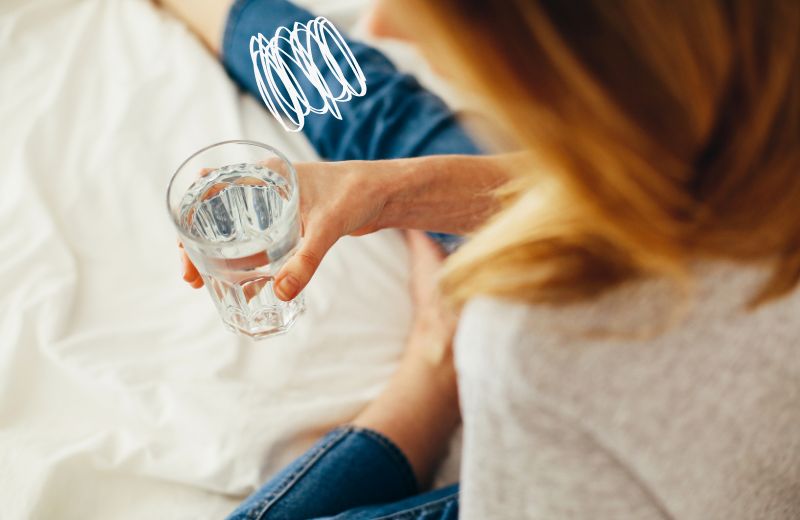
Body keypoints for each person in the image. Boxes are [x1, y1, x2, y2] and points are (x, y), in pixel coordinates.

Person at [160, 0, 800, 518]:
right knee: (380, 129)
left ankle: (433, 368)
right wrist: (389, 192)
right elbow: (667, 184)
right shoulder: (758, 88)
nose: (380, 20)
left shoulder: (537, 346)